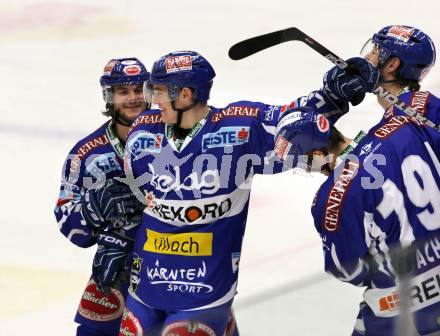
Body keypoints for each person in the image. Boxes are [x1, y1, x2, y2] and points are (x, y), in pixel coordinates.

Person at [118, 50, 379, 335]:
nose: (153, 100)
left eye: (160, 91)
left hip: (204, 293)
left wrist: (332, 93)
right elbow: (133, 192)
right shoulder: (142, 132)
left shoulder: (240, 127)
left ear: (186, 95)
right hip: (143, 288)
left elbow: (292, 121)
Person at [275, 25, 440, 335]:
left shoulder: (333, 195)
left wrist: (331, 99)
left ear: (392, 64)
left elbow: (349, 271)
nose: (368, 56)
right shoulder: (424, 111)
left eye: (375, 51)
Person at [54, 57, 150, 336]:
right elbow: (69, 225)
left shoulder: (176, 138)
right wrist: (93, 207)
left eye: (138, 90)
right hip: (115, 270)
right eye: (123, 91)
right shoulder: (86, 154)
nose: (133, 98)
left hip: (175, 265)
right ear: (109, 97)